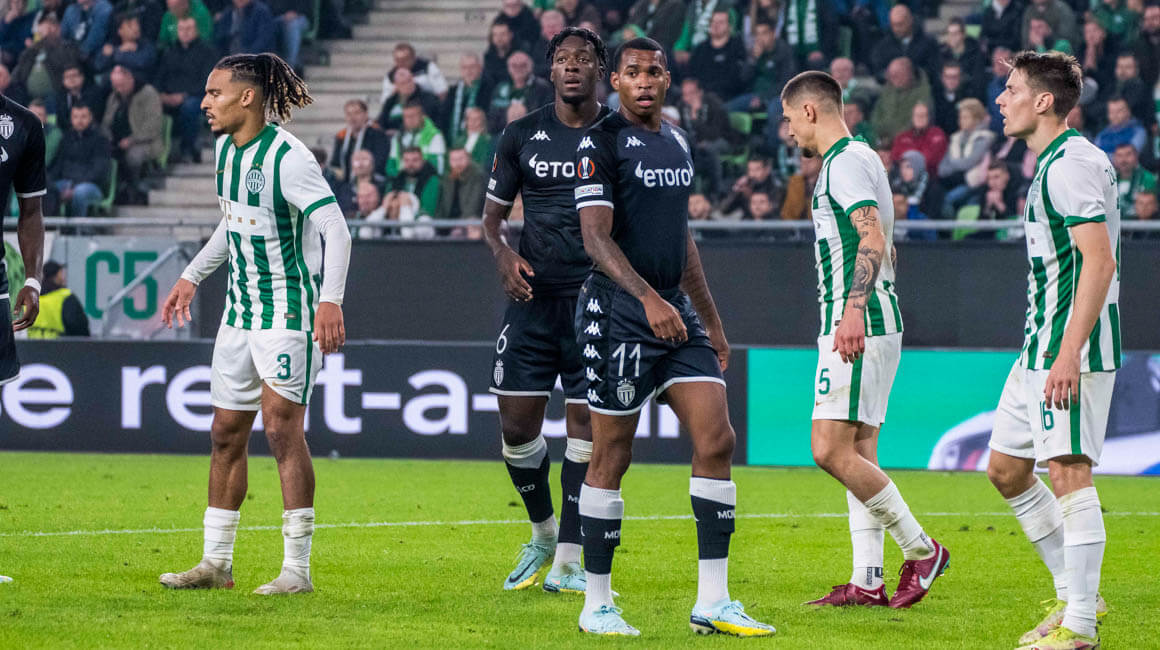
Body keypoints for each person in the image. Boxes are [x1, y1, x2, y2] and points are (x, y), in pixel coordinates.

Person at [572, 36, 775, 637]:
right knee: (612, 453)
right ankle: (596, 604)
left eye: (653, 72)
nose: (644, 81)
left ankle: (713, 601)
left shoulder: (679, 141)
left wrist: (710, 320)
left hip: (674, 310)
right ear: (615, 81)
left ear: (666, 79)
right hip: (618, 312)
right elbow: (595, 238)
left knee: (717, 438)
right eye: (632, 72)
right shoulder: (599, 143)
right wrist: (647, 299)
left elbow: (681, 238)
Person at [158, 52, 352, 596]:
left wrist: (330, 301)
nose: (204, 103)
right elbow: (234, 222)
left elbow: (336, 230)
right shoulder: (225, 149)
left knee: (282, 429)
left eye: (214, 93)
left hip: (287, 311)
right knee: (225, 433)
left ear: (247, 97)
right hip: (238, 313)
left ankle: (297, 570)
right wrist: (192, 275)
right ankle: (215, 563)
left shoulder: (289, 158)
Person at [780, 70, 949, 610]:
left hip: (859, 321)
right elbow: (883, 241)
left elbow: (872, 236)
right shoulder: (865, 157)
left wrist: (852, 309)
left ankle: (922, 550)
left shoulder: (844, 163)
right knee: (859, 452)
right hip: (873, 318)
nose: (789, 131)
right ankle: (868, 579)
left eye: (789, 119)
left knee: (829, 449)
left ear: (810, 111)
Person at [989, 50, 1119, 650]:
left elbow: (1099, 261)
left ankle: (1080, 625)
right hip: (1038, 345)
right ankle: (1074, 595)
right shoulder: (1058, 161)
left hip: (1069, 349)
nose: (1001, 99)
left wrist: (1069, 353)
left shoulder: (1070, 165)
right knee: (1006, 469)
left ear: (1043, 101)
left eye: (1012, 89)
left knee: (1068, 472)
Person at [481, 26, 610, 596]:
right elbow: (491, 220)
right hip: (532, 303)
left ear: (600, 69)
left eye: (584, 58)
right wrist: (503, 254)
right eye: (563, 59)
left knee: (586, 431)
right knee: (515, 428)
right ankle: (543, 532)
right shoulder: (520, 135)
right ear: (550, 70)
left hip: (595, 303)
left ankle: (569, 559)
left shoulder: (620, 135)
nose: (573, 66)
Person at [157, 16, 217, 163]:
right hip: (169, 96)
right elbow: (159, 76)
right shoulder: (169, 51)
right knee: (152, 103)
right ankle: (159, 154)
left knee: (189, 107)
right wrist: (162, 95)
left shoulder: (207, 51)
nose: (185, 32)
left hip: (196, 96)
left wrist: (183, 96)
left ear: (196, 30)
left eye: (189, 29)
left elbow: (207, 82)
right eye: (181, 29)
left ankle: (188, 149)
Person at [101, 64, 162, 203]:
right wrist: (108, 137)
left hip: (145, 141)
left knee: (133, 155)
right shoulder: (114, 96)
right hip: (116, 140)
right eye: (115, 86)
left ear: (130, 78)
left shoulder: (148, 93)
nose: (119, 89)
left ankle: (134, 190)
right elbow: (106, 122)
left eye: (121, 85)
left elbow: (153, 125)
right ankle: (113, 190)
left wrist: (132, 139)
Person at [50, 103, 111, 216]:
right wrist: (48, 183)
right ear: (71, 119)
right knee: (47, 190)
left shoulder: (101, 140)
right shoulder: (66, 139)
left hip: (91, 186)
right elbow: (58, 165)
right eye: (76, 117)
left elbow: (99, 171)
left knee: (79, 193)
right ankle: (51, 226)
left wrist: (74, 186)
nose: (79, 121)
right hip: (66, 183)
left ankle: (78, 226)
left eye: (83, 116)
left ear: (90, 118)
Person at [329, 99, 390, 183]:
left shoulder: (378, 135)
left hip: (372, 182)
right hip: (347, 183)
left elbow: (379, 163)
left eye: (357, 113)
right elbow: (336, 163)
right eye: (349, 114)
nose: (352, 118)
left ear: (366, 115)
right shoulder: (341, 136)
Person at [26, 260, 89, 338]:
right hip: (61, 344)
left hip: (31, 344)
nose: (64, 276)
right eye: (61, 273)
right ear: (57, 275)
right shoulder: (65, 297)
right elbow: (79, 327)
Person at [384, 101, 447, 178]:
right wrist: (401, 178)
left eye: (413, 116)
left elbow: (437, 167)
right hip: (401, 179)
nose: (410, 119)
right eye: (406, 116)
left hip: (425, 180)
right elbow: (390, 166)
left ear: (422, 116)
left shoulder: (434, 135)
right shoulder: (397, 137)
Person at [380, 42, 449, 105]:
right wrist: (395, 91)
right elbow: (384, 101)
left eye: (405, 59)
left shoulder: (427, 67)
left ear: (413, 58)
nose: (401, 63)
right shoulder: (390, 76)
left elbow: (442, 91)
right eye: (398, 60)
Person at [890, 102, 948, 175]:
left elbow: (931, 159)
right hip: (903, 176)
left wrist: (910, 156)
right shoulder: (902, 137)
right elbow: (895, 157)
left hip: (929, 176)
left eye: (923, 115)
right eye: (917, 115)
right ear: (912, 117)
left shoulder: (937, 134)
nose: (920, 118)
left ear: (929, 117)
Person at [434, 147, 483, 222]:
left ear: (468, 158)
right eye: (453, 160)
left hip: (468, 222)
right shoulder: (447, 177)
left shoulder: (477, 176)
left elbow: (473, 205)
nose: (457, 163)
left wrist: (460, 224)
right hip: (447, 222)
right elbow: (441, 206)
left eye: (461, 159)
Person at [1112, 143, 1156, 219]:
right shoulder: (1109, 179)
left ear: (1136, 156)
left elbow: (1150, 208)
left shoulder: (1148, 178)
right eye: (1119, 155)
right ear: (1114, 159)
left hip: (1139, 223)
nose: (1123, 160)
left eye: (1128, 155)